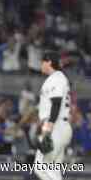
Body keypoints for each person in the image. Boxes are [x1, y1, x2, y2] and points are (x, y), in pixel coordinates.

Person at [34, 51, 73, 180]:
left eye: (42, 61)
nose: (41, 64)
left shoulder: (57, 78)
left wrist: (47, 130)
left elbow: (56, 103)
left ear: (49, 62)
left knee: (41, 168)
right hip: (59, 126)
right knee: (53, 171)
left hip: (56, 127)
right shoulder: (58, 78)